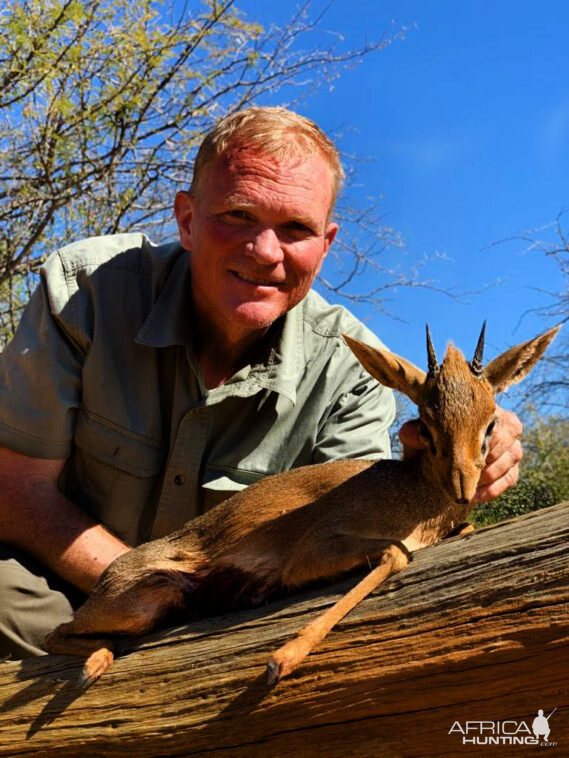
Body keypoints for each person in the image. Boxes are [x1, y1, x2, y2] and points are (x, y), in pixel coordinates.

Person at [0, 107, 523, 660]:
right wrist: (152, 599)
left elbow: (349, 543)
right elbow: (15, 491)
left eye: (296, 228)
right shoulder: (88, 291)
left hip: (234, 618)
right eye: (238, 214)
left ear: (326, 244)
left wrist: (456, 455)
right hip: (64, 589)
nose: (266, 252)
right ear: (186, 219)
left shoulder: (353, 374)